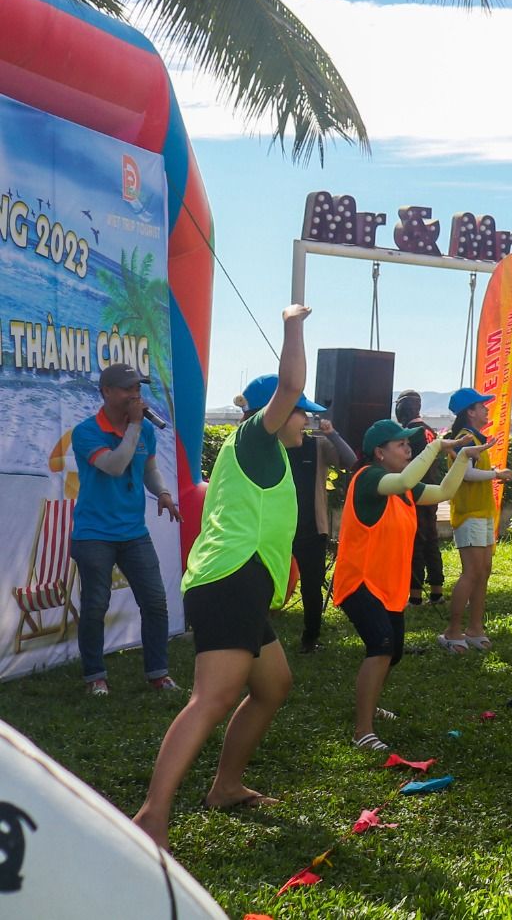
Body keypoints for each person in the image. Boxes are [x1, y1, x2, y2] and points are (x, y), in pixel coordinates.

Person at [133, 305, 313, 848]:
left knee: (273, 685)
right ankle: (151, 817)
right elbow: (290, 384)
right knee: (212, 698)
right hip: (229, 582)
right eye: (302, 413)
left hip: (241, 584)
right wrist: (292, 324)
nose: (307, 421)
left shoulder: (263, 453)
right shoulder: (256, 438)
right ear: (274, 413)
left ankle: (226, 786)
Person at [333, 420, 480, 753]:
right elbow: (404, 480)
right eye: (400, 444)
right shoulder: (369, 477)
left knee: (393, 652)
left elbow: (443, 492)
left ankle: (371, 705)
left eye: (408, 443)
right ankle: (362, 731)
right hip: (360, 582)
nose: (407, 447)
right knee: (381, 646)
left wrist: (462, 458)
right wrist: (437, 446)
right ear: (379, 452)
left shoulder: (404, 486)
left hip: (388, 586)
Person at [69, 362, 179, 695]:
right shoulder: (86, 432)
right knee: (95, 606)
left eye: (138, 389)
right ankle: (95, 677)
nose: (135, 395)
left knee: (155, 601)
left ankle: (158, 673)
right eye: (127, 389)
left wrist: (162, 492)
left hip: (134, 532)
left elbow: (149, 469)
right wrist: (134, 425)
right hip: (94, 534)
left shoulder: (143, 430)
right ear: (106, 392)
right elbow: (115, 466)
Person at [437, 386, 511, 653]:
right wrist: (496, 475)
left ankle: (475, 628)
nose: (486, 409)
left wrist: (492, 471)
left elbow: (472, 470)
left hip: (482, 513)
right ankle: (452, 631)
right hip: (469, 514)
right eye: (481, 406)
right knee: (472, 572)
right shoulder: (465, 439)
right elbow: (466, 475)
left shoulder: (474, 437)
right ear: (470, 412)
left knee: (483, 571)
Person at [286, 410, 354, 653]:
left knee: (311, 585)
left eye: (305, 416)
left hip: (312, 527)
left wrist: (332, 434)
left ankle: (310, 637)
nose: (305, 421)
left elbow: (350, 460)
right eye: (300, 415)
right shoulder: (272, 446)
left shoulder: (317, 445)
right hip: (277, 527)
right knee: (264, 582)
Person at [394, 390, 442, 606]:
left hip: (415, 492)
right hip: (431, 490)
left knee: (416, 544)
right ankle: (437, 591)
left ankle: (415, 596)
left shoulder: (409, 433)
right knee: (431, 540)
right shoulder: (430, 431)